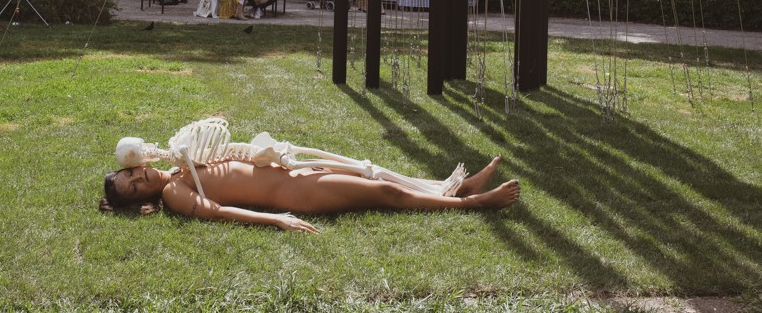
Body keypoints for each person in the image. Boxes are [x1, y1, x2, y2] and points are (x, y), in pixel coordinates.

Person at [100, 155, 520, 233]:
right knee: (384, 192)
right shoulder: (174, 191)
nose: (141, 178)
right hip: (298, 193)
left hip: (294, 170)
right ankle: (472, 203)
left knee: (374, 174)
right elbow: (220, 211)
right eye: (135, 187)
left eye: (132, 173)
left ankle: (454, 188)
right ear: (140, 199)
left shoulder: (175, 164)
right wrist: (276, 220)